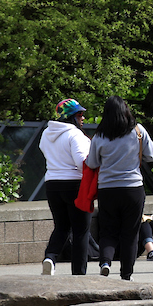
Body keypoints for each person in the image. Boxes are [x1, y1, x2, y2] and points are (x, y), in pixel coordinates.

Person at [84, 96, 153, 280]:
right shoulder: (137, 130)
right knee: (130, 233)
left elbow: (92, 162)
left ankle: (105, 263)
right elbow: (152, 155)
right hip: (132, 189)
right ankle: (126, 274)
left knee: (108, 230)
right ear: (125, 110)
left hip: (107, 190)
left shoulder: (100, 135)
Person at [40, 98, 91, 276]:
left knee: (61, 226)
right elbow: (81, 163)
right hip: (74, 185)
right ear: (71, 117)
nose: (83, 117)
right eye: (79, 114)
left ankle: (50, 258)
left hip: (52, 184)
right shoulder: (76, 135)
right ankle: (78, 273)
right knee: (81, 230)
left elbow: (44, 151)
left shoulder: (47, 133)